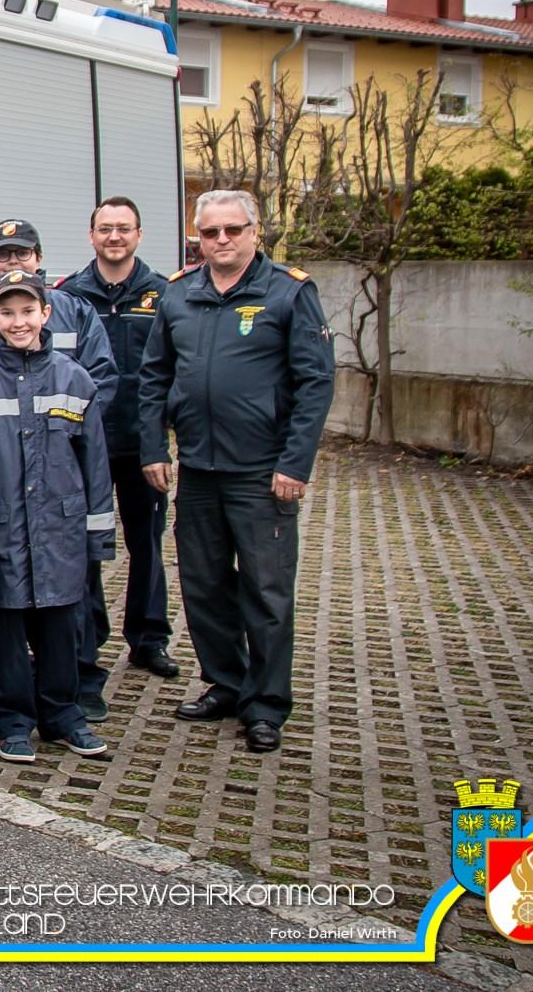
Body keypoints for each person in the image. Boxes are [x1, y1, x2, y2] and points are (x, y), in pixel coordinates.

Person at [138, 190, 334, 755]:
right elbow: (154, 377)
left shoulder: (289, 291)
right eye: (210, 232)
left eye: (232, 229)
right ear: (197, 237)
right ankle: (226, 682)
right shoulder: (179, 293)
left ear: (255, 231)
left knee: (266, 591)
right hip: (198, 468)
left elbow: (315, 383)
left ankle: (266, 704)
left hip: (262, 472)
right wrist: (154, 448)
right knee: (204, 586)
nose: (221, 240)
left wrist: (294, 463)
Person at [0, 217, 119, 722]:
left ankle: (64, 714)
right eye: (8, 312)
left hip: (61, 525)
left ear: (46, 312)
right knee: (7, 626)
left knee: (64, 622)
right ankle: (11, 719)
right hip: (4, 522)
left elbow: (95, 464)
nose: (19, 321)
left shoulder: (74, 377)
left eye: (28, 311)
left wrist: (97, 538)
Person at [55, 198, 179, 684]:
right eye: (105, 228)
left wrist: (162, 439)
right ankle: (90, 633)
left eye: (123, 228)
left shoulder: (164, 294)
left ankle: (149, 638)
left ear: (138, 235)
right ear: (91, 236)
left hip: (140, 442)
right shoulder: (70, 295)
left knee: (146, 542)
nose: (114, 237)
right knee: (85, 544)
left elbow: (172, 370)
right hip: (83, 445)